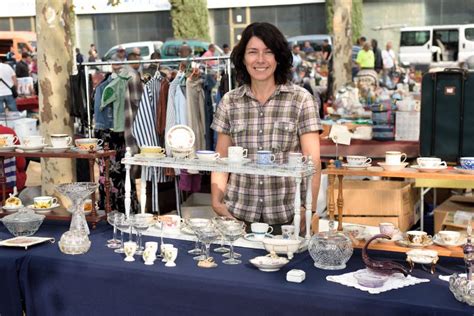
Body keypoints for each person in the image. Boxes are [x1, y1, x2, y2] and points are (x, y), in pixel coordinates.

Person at [210, 22, 322, 234]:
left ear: (278, 58)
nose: (260, 60)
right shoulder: (229, 102)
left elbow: (313, 162)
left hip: (288, 218)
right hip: (238, 218)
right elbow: (221, 158)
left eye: (268, 52)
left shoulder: (301, 100)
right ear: (243, 58)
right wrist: (217, 202)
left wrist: (310, 208)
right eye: (253, 52)